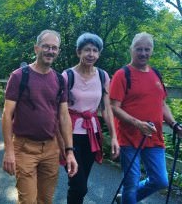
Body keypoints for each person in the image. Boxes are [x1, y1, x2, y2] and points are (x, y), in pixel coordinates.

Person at [1, 29, 78, 204]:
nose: (50, 51)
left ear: (58, 51)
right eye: (46, 46)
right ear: (36, 48)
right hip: (24, 147)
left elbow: (64, 117)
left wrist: (69, 151)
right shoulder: (19, 76)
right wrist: (9, 151)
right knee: (28, 201)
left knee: (45, 200)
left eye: (54, 48)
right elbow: (7, 114)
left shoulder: (60, 80)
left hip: (51, 148)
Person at [110, 32, 182, 204]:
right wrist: (137, 123)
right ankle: (129, 198)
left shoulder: (156, 74)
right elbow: (113, 107)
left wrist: (174, 124)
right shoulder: (122, 74)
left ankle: (126, 199)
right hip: (129, 138)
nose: (143, 53)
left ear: (151, 51)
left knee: (160, 180)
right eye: (139, 49)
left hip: (154, 138)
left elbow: (162, 104)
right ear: (131, 50)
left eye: (147, 49)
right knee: (131, 182)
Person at [62, 32, 119, 204]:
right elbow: (61, 110)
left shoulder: (103, 76)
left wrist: (114, 137)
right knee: (79, 186)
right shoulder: (67, 76)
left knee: (81, 182)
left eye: (95, 50)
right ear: (78, 52)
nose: (91, 54)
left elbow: (107, 109)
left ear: (99, 54)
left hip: (92, 135)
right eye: (87, 50)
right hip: (70, 135)